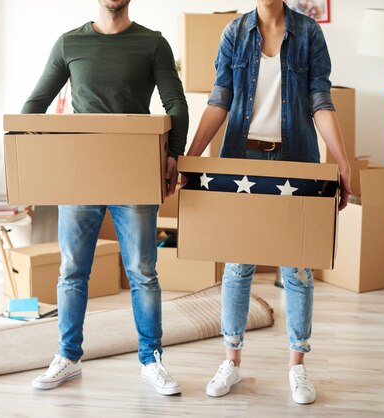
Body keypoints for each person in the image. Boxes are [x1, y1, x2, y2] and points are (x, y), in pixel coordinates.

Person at [183, 0, 351, 404]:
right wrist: (191, 157)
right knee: (239, 264)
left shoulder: (308, 33)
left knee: (297, 267)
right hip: (242, 159)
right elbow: (219, 99)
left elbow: (320, 101)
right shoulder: (234, 34)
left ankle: (297, 367)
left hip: (296, 159)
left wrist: (343, 163)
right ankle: (232, 362)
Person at [21, 0, 188, 395]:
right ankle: (68, 357)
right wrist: (43, 162)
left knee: (142, 273)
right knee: (72, 271)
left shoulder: (152, 43)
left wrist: (172, 156)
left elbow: (176, 104)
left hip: (134, 175)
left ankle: (152, 360)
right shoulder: (69, 44)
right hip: (80, 178)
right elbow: (33, 107)